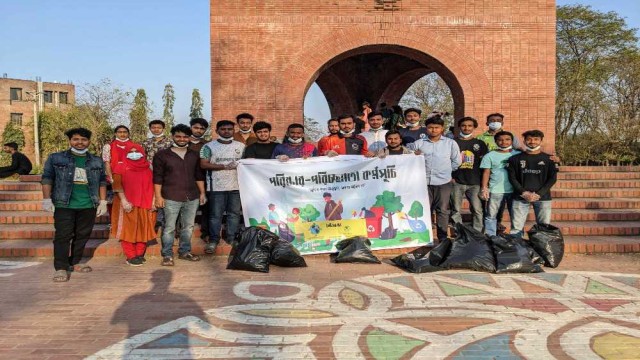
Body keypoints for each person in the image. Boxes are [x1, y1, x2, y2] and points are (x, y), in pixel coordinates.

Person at [41, 128, 108, 282]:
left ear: (89, 141)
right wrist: (46, 199)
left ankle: (75, 262)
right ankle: (61, 268)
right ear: (70, 141)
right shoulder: (56, 158)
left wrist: (103, 201)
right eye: (76, 139)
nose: (79, 142)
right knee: (63, 236)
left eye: (83, 140)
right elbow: (47, 178)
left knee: (82, 235)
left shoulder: (96, 160)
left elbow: (102, 181)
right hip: (64, 204)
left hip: (88, 204)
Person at [153, 124, 206, 266]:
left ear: (189, 138)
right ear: (172, 137)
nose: (182, 139)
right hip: (171, 196)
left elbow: (198, 175)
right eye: (178, 136)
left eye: (185, 136)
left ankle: (185, 252)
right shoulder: (162, 155)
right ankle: (167, 255)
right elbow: (157, 177)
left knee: (188, 226)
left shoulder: (194, 155)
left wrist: (202, 193)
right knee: (169, 227)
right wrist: (158, 196)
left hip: (192, 196)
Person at [409, 115, 461, 243]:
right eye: (430, 127)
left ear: (442, 128)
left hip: (443, 182)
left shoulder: (450, 143)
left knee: (442, 210)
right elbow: (408, 159)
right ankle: (424, 238)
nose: (433, 130)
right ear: (426, 129)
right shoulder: (419, 144)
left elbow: (457, 161)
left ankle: (443, 238)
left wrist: (446, 172)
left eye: (436, 127)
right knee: (424, 210)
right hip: (423, 183)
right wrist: (413, 155)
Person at [200, 120, 245, 254]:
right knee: (215, 215)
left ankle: (231, 238)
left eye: (229, 129)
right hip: (216, 187)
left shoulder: (241, 146)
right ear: (217, 131)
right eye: (223, 129)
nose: (226, 131)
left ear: (233, 130)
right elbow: (204, 164)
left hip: (236, 186)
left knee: (234, 214)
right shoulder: (208, 147)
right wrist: (224, 166)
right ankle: (214, 240)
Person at [110, 143, 157, 266]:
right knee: (128, 229)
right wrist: (124, 201)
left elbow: (155, 185)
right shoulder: (120, 166)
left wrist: (153, 201)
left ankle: (139, 253)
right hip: (127, 204)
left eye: (137, 151)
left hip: (146, 203)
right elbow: (117, 186)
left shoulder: (149, 167)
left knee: (144, 228)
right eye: (131, 152)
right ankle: (131, 256)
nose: (134, 154)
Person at [507, 130, 558, 238]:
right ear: (524, 141)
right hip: (520, 197)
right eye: (529, 139)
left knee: (544, 227)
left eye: (536, 139)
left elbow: (552, 179)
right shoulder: (514, 159)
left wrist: (539, 194)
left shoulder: (550, 159)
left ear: (541, 141)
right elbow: (512, 178)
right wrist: (524, 192)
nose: (532, 142)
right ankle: (516, 251)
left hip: (543, 197)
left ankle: (542, 250)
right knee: (516, 228)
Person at [450, 117, 489, 233]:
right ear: (459, 127)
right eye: (463, 125)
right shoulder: (453, 142)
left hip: (475, 182)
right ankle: (459, 232)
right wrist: (450, 177)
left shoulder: (479, 143)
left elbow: (485, 164)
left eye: (469, 125)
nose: (466, 128)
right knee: (456, 209)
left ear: (474, 127)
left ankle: (477, 232)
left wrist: (484, 184)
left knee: (477, 209)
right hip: (457, 181)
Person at [479, 131, 520, 236]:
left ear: (512, 141)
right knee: (491, 216)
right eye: (500, 140)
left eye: (507, 139)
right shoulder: (489, 155)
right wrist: (484, 188)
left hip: (515, 190)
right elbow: (486, 172)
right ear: (496, 141)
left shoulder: (518, 154)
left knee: (516, 216)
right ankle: (491, 237)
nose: (504, 142)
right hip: (496, 190)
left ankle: (517, 238)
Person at [187, 117, 210, 241]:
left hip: (203, 179)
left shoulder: (208, 144)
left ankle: (205, 232)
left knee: (206, 206)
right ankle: (180, 232)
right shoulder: (183, 142)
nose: (199, 130)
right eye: (196, 127)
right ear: (191, 127)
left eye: (202, 129)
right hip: (185, 179)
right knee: (184, 206)